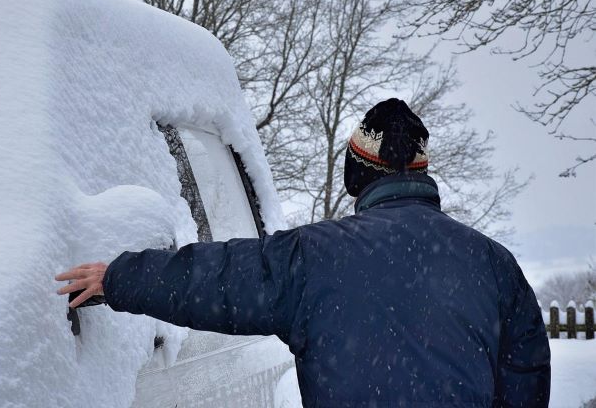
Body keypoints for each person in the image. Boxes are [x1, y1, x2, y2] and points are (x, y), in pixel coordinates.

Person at [55, 98, 551, 407]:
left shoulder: (314, 257)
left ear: (357, 174)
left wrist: (118, 278)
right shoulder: (494, 264)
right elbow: (526, 383)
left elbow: (215, 277)